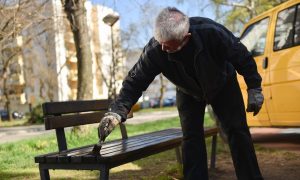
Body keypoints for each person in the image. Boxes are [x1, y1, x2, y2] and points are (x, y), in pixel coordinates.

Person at [98, 7, 264, 180]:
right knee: (191, 138)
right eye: (159, 41)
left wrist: (255, 88)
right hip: (188, 91)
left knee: (238, 132)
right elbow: (135, 81)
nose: (162, 47)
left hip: (222, 84)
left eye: (168, 46)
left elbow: (242, 56)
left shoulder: (211, 32)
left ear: (186, 38)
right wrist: (116, 112)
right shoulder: (155, 50)